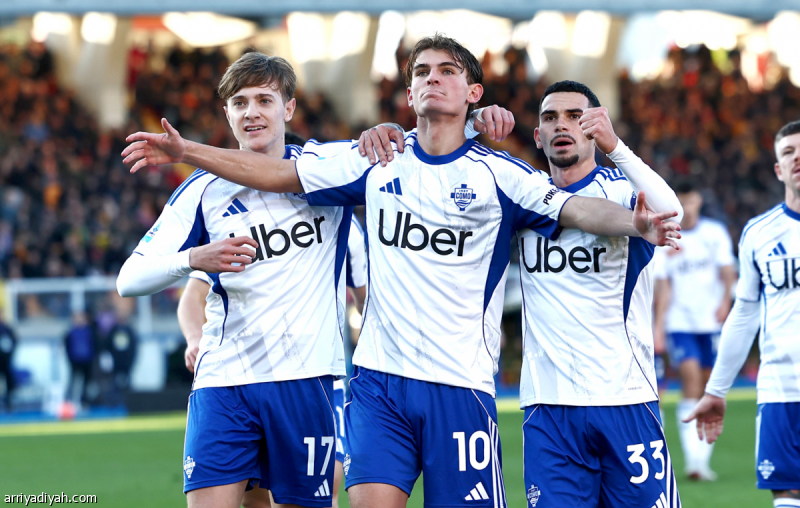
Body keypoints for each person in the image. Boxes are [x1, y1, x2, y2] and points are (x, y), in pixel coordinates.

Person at [122, 34, 680, 508]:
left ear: (474, 93)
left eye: (447, 71)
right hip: (379, 383)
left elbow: (575, 208)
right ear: (408, 92)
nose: (432, 78)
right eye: (421, 72)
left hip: (460, 386)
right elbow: (277, 174)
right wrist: (188, 152)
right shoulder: (374, 158)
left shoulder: (502, 175)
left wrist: (637, 225)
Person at [121, 49, 514, 508]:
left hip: (309, 382)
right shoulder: (202, 191)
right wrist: (192, 258)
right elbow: (130, 278)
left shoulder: (327, 171)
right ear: (226, 114)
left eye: (264, 100)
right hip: (224, 381)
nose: (252, 112)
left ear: (288, 108)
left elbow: (418, 144)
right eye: (240, 103)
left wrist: (473, 119)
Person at [511, 80, 683, 508]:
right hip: (549, 406)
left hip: (625, 397)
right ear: (538, 136)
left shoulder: (621, 191)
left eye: (575, 116)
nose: (561, 125)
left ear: (594, 127)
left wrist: (616, 147)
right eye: (550, 118)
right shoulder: (524, 198)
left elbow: (672, 211)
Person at [178, 214, 368, 508]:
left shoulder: (342, 219)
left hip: (316, 379)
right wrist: (194, 338)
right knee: (255, 499)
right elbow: (192, 296)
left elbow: (366, 298)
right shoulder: (234, 217)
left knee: (326, 487)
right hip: (244, 379)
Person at [686, 120, 800, 508]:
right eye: (788, 152)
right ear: (778, 169)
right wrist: (716, 389)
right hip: (781, 389)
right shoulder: (758, 233)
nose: (797, 158)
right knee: (787, 496)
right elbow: (744, 314)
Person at [653, 180, 736, 481]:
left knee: (706, 385)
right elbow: (663, 285)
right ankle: (693, 463)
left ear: (699, 200)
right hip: (680, 323)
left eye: (690, 200)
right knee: (690, 379)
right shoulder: (666, 237)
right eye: (681, 201)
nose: (686, 207)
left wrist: (726, 302)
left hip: (710, 322)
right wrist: (659, 325)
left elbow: (727, 270)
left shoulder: (714, 233)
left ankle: (702, 459)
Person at [63, 311, 98, 406]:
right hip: (75, 361)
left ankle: (85, 402)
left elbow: (94, 345)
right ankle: (68, 401)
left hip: (87, 361)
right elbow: (67, 346)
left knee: (87, 383)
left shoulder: (89, 331)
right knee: (73, 381)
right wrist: (70, 359)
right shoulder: (71, 332)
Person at [0, 314, 17, 411]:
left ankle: (8, 403)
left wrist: (10, 355)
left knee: (9, 381)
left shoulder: (7, 329)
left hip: (5, 361)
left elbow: (14, 341)